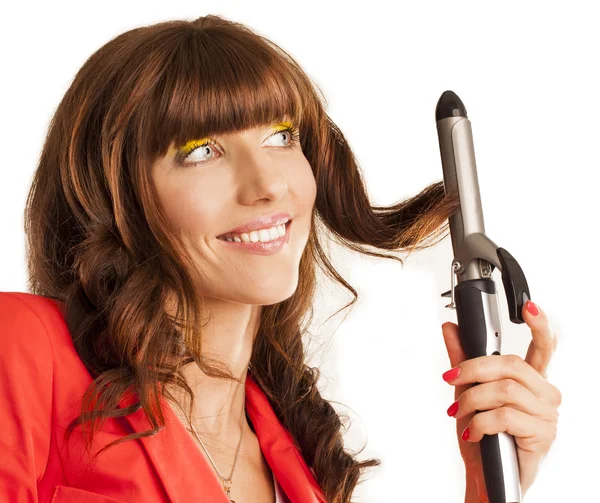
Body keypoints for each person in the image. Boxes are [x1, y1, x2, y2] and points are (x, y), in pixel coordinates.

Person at [0, 14, 560, 503]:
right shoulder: (21, 347)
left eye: (281, 136)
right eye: (200, 151)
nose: (268, 184)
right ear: (114, 195)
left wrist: (488, 490)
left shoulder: (301, 463)